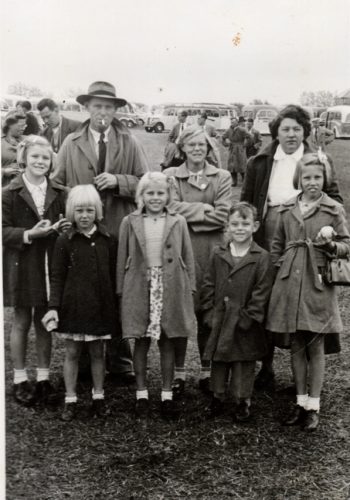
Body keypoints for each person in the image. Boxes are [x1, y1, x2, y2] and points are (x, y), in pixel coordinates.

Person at [53, 81, 149, 385]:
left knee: (115, 290)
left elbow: (146, 183)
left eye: (108, 107)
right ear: (87, 108)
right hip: (82, 232)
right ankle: (82, 360)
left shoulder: (129, 140)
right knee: (82, 290)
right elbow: (57, 183)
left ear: (116, 110)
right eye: (97, 106)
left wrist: (119, 181)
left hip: (118, 229)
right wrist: (77, 202)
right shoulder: (71, 141)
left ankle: (118, 361)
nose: (103, 113)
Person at [241, 104, 343, 390]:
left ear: (305, 132)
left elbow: (334, 198)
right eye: (285, 129)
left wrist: (325, 228)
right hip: (268, 231)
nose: (291, 135)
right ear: (276, 132)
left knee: (302, 299)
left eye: (297, 129)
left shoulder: (317, 160)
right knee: (266, 296)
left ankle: (305, 376)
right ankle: (266, 366)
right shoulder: (259, 161)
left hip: (305, 234)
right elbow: (247, 201)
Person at [266, 152, 350, 431]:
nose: (312, 182)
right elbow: (278, 243)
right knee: (296, 345)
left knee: (315, 344)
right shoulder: (288, 207)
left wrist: (329, 246)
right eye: (307, 177)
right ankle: (300, 401)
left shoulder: (333, 209)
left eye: (317, 177)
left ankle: (314, 405)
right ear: (298, 179)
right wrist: (282, 267)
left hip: (318, 281)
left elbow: (345, 246)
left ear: (325, 178)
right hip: (290, 281)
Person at [117, 172, 196, 418]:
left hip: (169, 285)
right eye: (150, 193)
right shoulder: (129, 221)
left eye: (160, 193)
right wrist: (121, 290)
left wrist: (189, 287)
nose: (155, 198)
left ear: (168, 195)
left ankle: (166, 395)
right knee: (140, 340)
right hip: (140, 286)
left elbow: (187, 257)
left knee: (167, 339)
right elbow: (122, 259)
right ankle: (141, 394)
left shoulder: (178, 221)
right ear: (141, 195)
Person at [2, 136, 71, 407]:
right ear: (24, 159)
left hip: (49, 263)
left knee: (45, 320)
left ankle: (43, 378)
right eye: (35, 157)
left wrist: (63, 228)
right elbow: (3, 230)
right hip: (22, 263)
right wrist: (30, 233)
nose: (40, 162)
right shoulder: (9, 192)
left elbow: (65, 223)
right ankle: (20, 378)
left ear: (52, 161)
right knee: (21, 319)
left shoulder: (59, 191)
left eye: (45, 158)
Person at [164, 126, 232, 395]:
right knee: (180, 313)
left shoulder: (222, 176)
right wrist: (205, 209)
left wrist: (189, 217)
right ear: (182, 148)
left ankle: (206, 371)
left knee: (208, 312)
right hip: (180, 251)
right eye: (191, 145)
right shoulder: (171, 176)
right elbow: (169, 208)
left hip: (212, 253)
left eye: (201, 145)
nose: (196, 149)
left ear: (208, 148)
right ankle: (179, 372)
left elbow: (223, 215)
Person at [42, 185, 117, 421]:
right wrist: (54, 306)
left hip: (100, 307)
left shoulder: (107, 240)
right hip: (72, 306)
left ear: (97, 211)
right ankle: (71, 399)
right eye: (79, 211)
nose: (84, 216)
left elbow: (114, 275)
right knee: (72, 352)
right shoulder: (64, 241)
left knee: (97, 353)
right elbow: (56, 276)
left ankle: (98, 397)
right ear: (71, 213)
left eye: (89, 210)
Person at [201, 202, 274, 420]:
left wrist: (250, 316)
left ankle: (243, 400)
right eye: (235, 224)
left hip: (244, 320)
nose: (240, 228)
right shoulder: (218, 253)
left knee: (244, 360)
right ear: (227, 226)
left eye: (245, 223)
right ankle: (217, 396)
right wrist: (209, 312)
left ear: (255, 226)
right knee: (219, 359)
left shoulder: (261, 257)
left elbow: (262, 291)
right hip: (221, 317)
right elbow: (208, 284)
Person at [222, 116, 251, 186]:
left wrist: (245, 144)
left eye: (234, 122)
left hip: (240, 149)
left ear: (237, 122)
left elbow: (249, 136)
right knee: (232, 166)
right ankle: (234, 182)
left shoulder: (242, 129)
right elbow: (223, 137)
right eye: (231, 122)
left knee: (242, 165)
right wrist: (226, 143)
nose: (232, 123)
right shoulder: (228, 130)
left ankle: (245, 181)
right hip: (232, 149)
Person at [1, 111, 27, 186]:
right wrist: (3, 171)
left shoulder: (27, 140)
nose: (24, 127)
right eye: (21, 125)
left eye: (25, 125)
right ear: (10, 125)